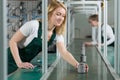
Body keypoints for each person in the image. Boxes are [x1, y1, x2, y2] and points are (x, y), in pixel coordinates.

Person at [8, 1, 88, 74]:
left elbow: (64, 52)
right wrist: (19, 63)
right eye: (58, 14)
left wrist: (77, 64)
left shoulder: (57, 34)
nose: (61, 18)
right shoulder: (33, 25)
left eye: (63, 16)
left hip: (25, 63)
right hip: (10, 59)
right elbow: (12, 41)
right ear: (49, 14)